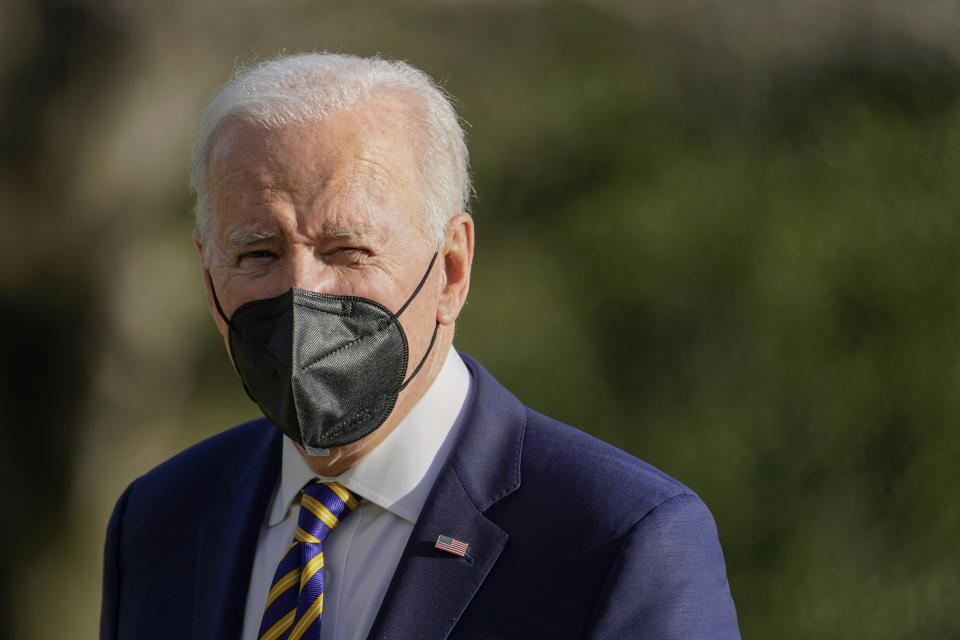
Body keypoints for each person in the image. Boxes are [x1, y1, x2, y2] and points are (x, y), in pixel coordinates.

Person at [100, 53, 740, 640]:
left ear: (452, 268)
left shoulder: (622, 539)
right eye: (257, 252)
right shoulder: (159, 523)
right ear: (207, 270)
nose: (301, 291)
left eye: (347, 250)